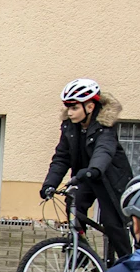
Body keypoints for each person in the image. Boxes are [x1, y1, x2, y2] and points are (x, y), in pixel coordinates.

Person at [40, 78, 134, 261]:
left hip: (108, 178)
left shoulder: (105, 126)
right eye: (68, 107)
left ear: (89, 107)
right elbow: (61, 157)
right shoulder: (70, 127)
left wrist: (93, 169)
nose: (70, 112)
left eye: (74, 107)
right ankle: (84, 255)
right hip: (86, 177)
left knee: (113, 224)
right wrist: (49, 184)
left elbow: (104, 150)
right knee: (74, 208)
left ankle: (127, 263)